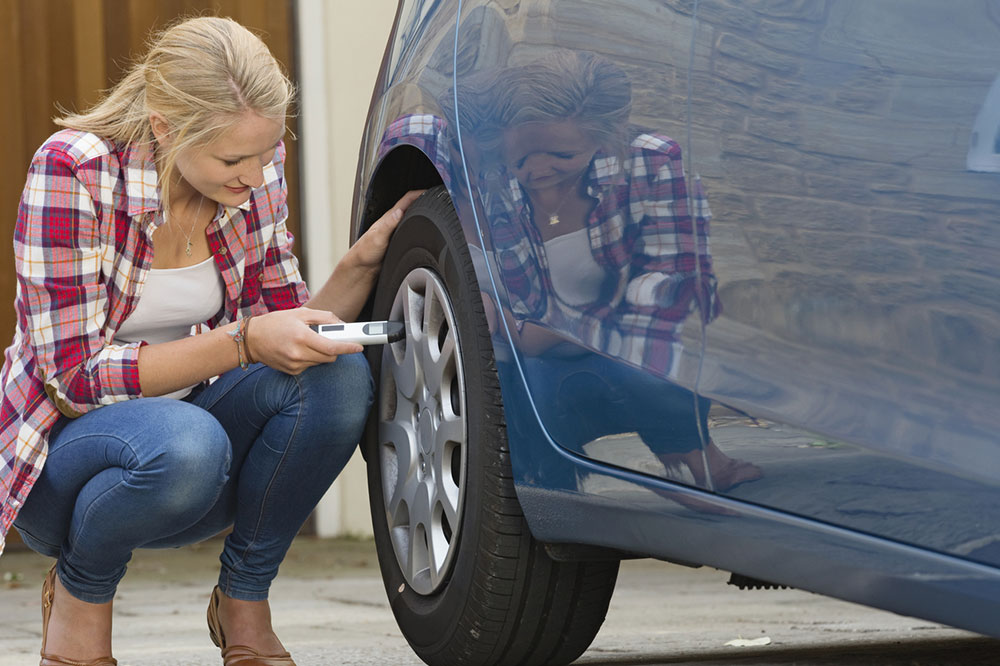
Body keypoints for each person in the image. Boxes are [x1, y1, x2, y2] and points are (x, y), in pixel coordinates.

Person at [0, 16, 420, 666]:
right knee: (187, 443)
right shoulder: (74, 172)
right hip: (65, 462)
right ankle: (82, 589)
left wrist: (360, 265)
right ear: (167, 126)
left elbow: (283, 326)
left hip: (192, 462)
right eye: (233, 159)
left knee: (336, 376)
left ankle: (243, 602)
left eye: (267, 151)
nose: (256, 176)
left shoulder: (253, 173)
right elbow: (73, 378)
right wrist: (243, 343)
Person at [457, 51, 762, 493]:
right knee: (524, 397)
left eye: (562, 154)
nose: (538, 171)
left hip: (627, 348)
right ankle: (545, 489)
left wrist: (560, 327)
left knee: (654, 368)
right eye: (521, 160)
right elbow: (510, 301)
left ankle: (699, 462)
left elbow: (673, 279)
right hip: (538, 363)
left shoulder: (652, 163)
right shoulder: (494, 182)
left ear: (608, 137)